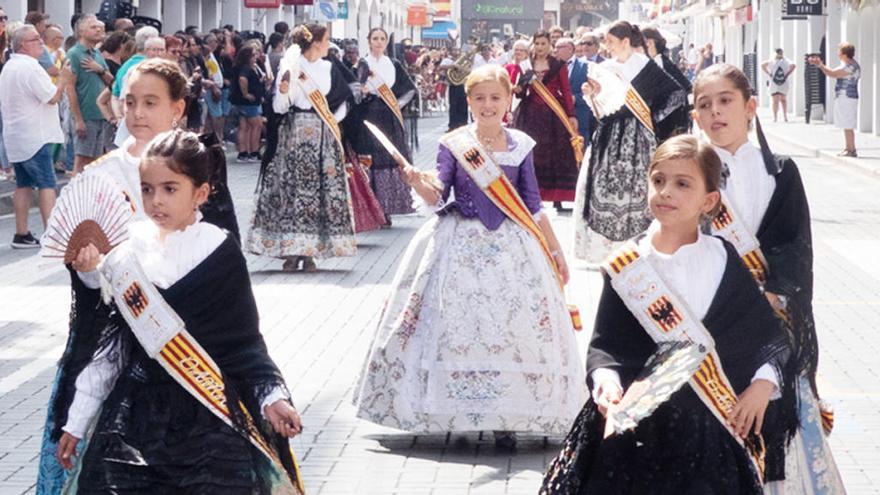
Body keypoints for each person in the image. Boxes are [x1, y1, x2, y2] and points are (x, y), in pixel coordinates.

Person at [542, 134, 796, 494]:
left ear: (709, 201)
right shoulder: (627, 265)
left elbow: (766, 337)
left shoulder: (725, 259)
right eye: (658, 181)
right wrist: (607, 381)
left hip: (710, 432)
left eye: (682, 184)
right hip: (639, 435)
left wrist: (761, 385)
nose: (665, 192)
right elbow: (606, 345)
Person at [54, 129, 302, 492]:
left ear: (200, 193)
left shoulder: (219, 251)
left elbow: (243, 342)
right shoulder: (127, 255)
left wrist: (272, 396)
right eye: (147, 189)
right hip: (135, 415)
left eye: (170, 189)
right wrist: (76, 422)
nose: (156, 201)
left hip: (208, 415)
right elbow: (111, 351)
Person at [353, 64, 585, 448]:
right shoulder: (454, 143)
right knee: (456, 327)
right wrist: (417, 181)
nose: (488, 104)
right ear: (469, 101)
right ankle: (453, 411)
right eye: (480, 98)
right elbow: (440, 196)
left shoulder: (522, 145)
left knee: (511, 328)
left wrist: (555, 250)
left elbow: (532, 205)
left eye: (496, 97)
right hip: (457, 243)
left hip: (515, 249)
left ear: (509, 100)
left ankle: (508, 416)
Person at [36, 58, 239, 493]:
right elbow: (91, 290)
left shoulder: (200, 162)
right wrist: (91, 273)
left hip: (190, 346)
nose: (138, 114)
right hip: (115, 343)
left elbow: (223, 252)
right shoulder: (102, 172)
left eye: (151, 103)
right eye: (130, 103)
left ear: (177, 108)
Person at [692, 63, 846, 494]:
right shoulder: (688, 171)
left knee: (775, 420)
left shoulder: (780, 170)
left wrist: (773, 295)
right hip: (707, 319)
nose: (716, 112)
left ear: (751, 108)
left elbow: (796, 244)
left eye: (726, 101)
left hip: (771, 317)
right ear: (695, 117)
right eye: (705, 105)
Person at [573, 21, 688, 263]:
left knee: (638, 191)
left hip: (640, 138)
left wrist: (655, 120)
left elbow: (675, 94)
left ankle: (641, 246)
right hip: (608, 137)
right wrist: (591, 96)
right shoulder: (604, 68)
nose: (608, 47)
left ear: (626, 41)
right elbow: (601, 109)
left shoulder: (645, 66)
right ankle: (608, 251)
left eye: (612, 42)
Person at [247, 24, 356, 272]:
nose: (329, 43)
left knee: (318, 193)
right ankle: (290, 250)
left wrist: (331, 122)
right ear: (315, 42)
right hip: (293, 133)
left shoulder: (329, 67)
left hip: (322, 135)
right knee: (290, 190)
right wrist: (283, 92)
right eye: (326, 39)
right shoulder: (290, 66)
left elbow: (345, 99)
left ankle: (310, 253)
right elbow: (278, 108)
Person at [0, 24, 72, 249]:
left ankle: (22, 233)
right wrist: (63, 78)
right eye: (36, 39)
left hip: (17, 135)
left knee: (23, 185)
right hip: (35, 136)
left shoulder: (10, 67)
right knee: (46, 185)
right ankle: (52, 235)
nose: (41, 42)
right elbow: (52, 97)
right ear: (23, 44)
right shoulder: (31, 68)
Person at [350, 27, 417, 221]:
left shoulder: (393, 64)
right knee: (370, 160)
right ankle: (372, 210)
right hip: (368, 116)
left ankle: (386, 209)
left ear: (386, 42)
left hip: (389, 117)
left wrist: (397, 105)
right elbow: (354, 89)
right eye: (375, 38)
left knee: (389, 158)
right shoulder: (363, 64)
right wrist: (361, 92)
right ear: (369, 41)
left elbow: (410, 89)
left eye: (382, 39)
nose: (379, 42)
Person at [513, 30, 579, 209]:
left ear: (549, 45)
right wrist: (518, 90)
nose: (540, 47)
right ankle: (529, 194)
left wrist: (571, 115)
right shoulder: (527, 65)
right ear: (533, 45)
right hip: (530, 115)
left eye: (544, 43)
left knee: (555, 154)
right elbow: (522, 89)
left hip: (552, 116)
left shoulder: (558, 64)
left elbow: (566, 91)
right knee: (531, 153)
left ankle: (557, 197)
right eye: (538, 43)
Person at [66, 14, 113, 174]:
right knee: (81, 161)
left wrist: (99, 69)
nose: (99, 30)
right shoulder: (74, 54)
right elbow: (70, 88)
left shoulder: (97, 54)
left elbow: (111, 81)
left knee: (95, 162)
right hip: (86, 115)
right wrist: (78, 119)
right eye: (93, 27)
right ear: (81, 30)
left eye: (101, 28)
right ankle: (73, 195)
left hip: (101, 114)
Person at [809, 43, 860, 157]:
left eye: (839, 52)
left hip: (848, 96)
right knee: (846, 123)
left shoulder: (851, 66)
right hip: (844, 96)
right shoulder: (847, 64)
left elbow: (833, 73)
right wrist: (820, 65)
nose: (838, 54)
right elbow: (832, 72)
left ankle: (851, 149)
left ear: (844, 54)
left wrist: (820, 65)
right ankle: (848, 148)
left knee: (848, 123)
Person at [230, 45, 264, 163]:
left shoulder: (241, 67)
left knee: (244, 126)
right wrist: (246, 94)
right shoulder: (246, 68)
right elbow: (242, 79)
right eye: (253, 55)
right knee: (257, 125)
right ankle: (254, 152)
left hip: (241, 101)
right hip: (248, 102)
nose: (256, 57)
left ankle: (244, 152)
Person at [556, 37, 591, 147]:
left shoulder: (586, 66)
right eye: (555, 47)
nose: (555, 50)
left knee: (580, 154)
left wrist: (576, 98)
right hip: (558, 119)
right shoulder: (552, 67)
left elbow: (593, 92)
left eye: (559, 47)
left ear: (570, 49)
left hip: (580, 119)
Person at [762, 48, 795, 123]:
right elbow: (763, 65)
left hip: (781, 82)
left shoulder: (785, 60)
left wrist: (787, 74)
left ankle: (784, 116)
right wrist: (769, 73)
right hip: (776, 82)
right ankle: (776, 116)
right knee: (776, 100)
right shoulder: (772, 61)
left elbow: (793, 65)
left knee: (782, 99)